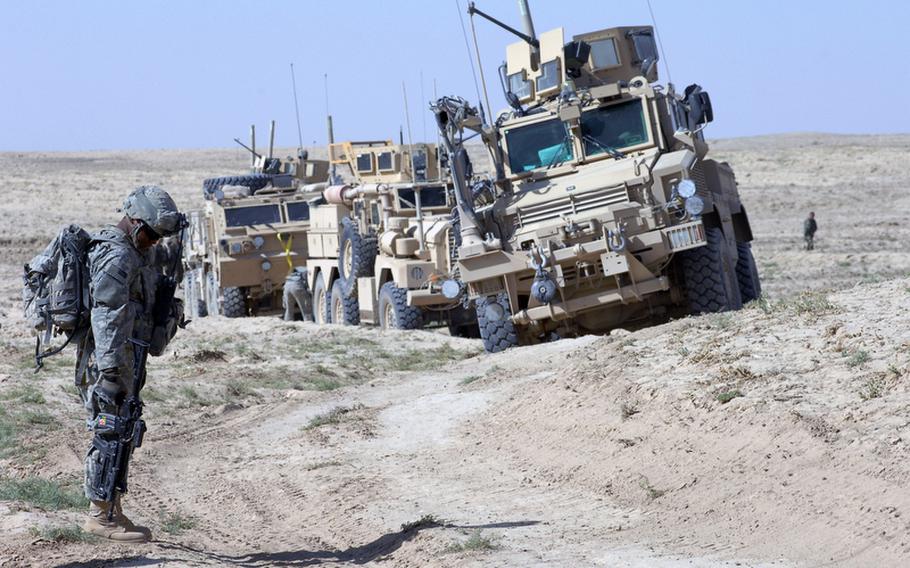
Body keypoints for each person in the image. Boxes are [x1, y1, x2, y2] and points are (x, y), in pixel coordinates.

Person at [75, 186, 184, 542]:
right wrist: (109, 372)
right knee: (108, 431)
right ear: (135, 222)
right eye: (151, 233)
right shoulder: (117, 257)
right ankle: (98, 516)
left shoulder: (135, 253)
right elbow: (107, 315)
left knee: (124, 432)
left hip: (127, 356)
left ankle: (112, 509)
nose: (154, 242)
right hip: (111, 360)